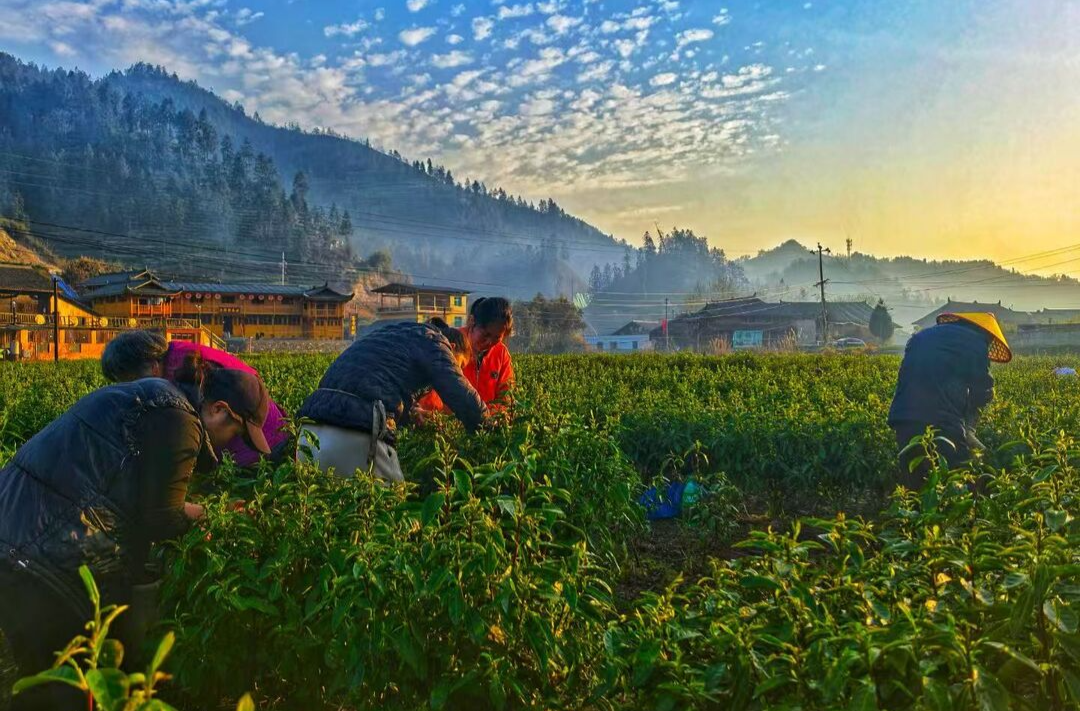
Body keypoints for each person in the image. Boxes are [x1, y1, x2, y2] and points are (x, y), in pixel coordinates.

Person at [0, 362, 270, 711]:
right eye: (236, 432)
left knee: (44, 677)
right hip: (48, 555)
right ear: (219, 409)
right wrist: (220, 515)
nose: (233, 443)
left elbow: (143, 499)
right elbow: (161, 519)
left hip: (17, 535)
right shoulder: (179, 421)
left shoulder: (155, 397)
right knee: (63, 688)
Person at [297, 317, 487, 482]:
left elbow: (376, 379)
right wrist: (488, 428)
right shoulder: (435, 342)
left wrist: (410, 413)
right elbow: (460, 392)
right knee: (396, 507)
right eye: (458, 364)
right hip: (355, 432)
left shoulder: (397, 334)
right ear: (452, 348)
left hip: (310, 434)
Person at [102, 330, 289, 465]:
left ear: (152, 366)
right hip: (256, 430)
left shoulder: (182, 373)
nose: (131, 390)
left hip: (255, 434)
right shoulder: (175, 359)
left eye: (130, 381)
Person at [888, 312, 1011, 488]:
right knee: (959, 482)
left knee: (914, 488)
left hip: (903, 419)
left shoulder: (923, 336)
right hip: (942, 421)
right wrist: (969, 425)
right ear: (985, 333)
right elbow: (983, 389)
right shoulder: (975, 341)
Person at [415, 297, 515, 417]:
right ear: (472, 322)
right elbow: (429, 395)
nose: (489, 342)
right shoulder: (450, 343)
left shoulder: (501, 354)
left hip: (483, 427)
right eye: (485, 335)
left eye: (496, 338)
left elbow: (506, 400)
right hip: (439, 425)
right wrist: (438, 417)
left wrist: (483, 417)